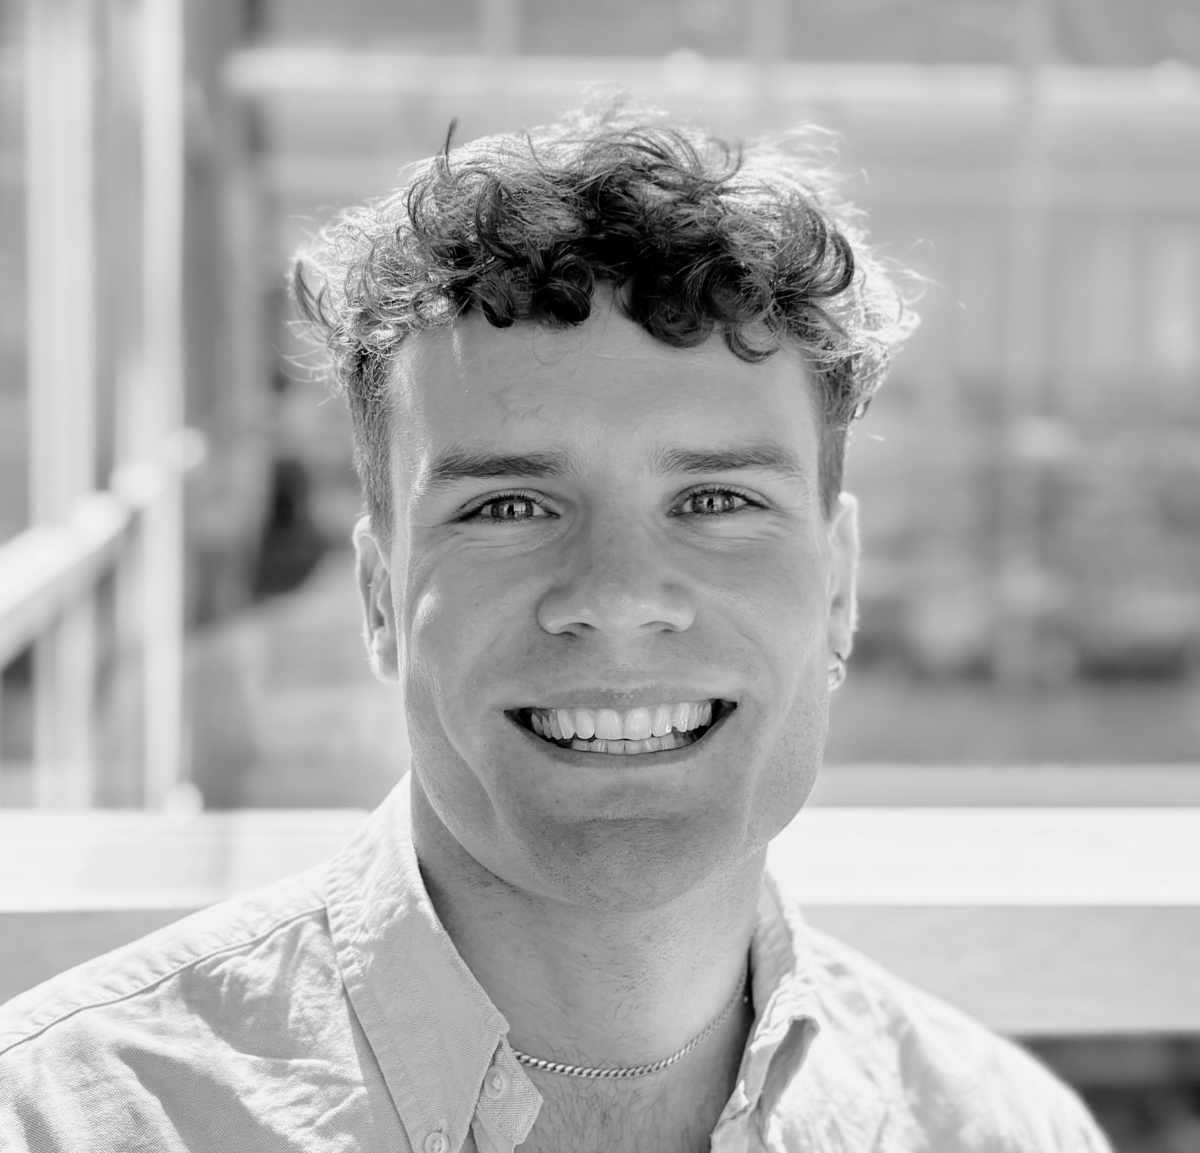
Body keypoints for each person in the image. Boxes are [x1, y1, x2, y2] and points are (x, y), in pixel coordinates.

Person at [0, 105, 1110, 1153]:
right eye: (508, 507)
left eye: (718, 501)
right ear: (380, 601)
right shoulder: (65, 1120)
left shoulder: (997, 1128)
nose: (619, 594)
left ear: (839, 589)